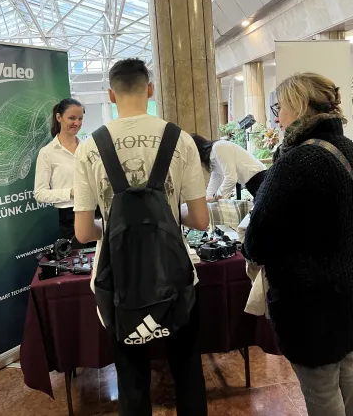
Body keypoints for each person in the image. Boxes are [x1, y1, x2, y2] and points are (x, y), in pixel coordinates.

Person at [73, 58, 209, 416]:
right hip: (175, 276)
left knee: (131, 380)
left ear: (111, 95)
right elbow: (200, 219)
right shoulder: (180, 139)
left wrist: (116, 226)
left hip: (117, 282)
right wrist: (165, 217)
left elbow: (83, 233)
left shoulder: (90, 146)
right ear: (150, 90)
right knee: (187, 370)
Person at [244, 72, 353, 416]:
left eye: (280, 107)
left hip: (310, 307)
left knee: (322, 393)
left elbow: (257, 240)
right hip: (349, 294)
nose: (277, 117)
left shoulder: (295, 161)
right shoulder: (349, 149)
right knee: (350, 379)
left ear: (300, 106)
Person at [34, 98, 89, 248]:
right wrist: (70, 193)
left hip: (95, 211)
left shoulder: (88, 148)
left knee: (99, 258)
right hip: (70, 217)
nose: (77, 123)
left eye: (80, 118)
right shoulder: (47, 153)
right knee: (80, 260)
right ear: (59, 117)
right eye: (72, 118)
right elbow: (39, 194)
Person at [190, 133, 266, 201]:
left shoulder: (218, 147)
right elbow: (215, 178)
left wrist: (216, 197)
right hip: (252, 183)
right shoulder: (213, 157)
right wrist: (207, 198)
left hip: (259, 178)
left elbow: (231, 178)